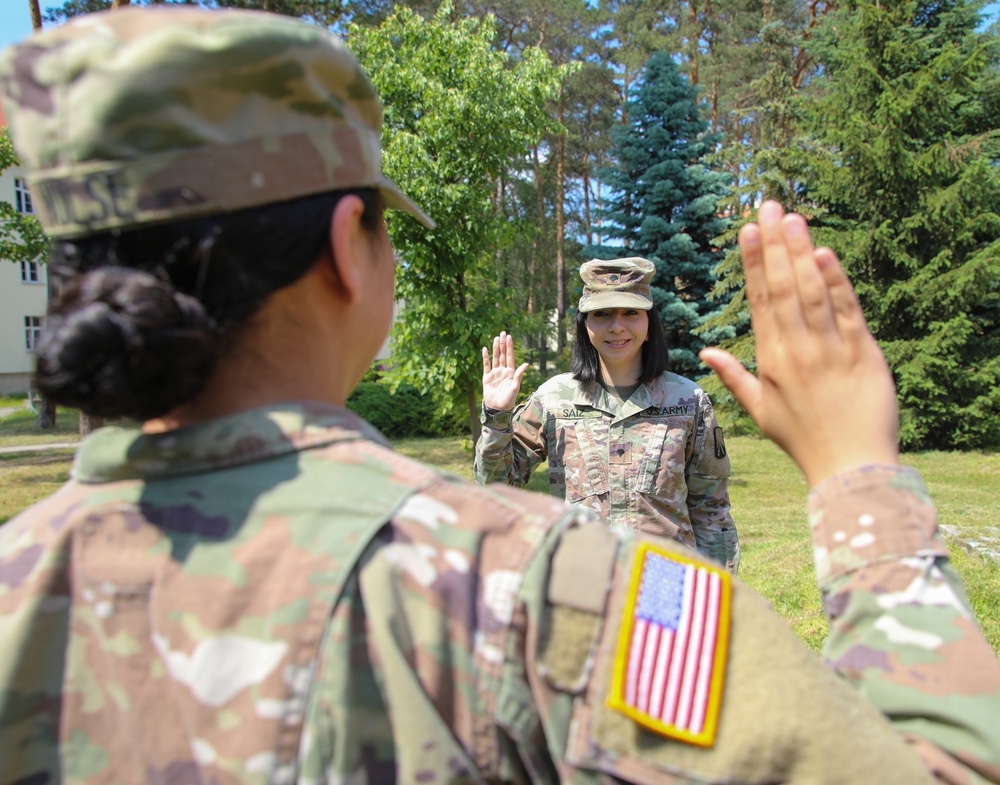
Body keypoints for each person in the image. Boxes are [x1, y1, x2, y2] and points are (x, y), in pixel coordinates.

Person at [0, 8, 998, 785]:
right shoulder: (539, 590)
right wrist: (858, 477)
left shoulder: (17, 583)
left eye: (628, 315)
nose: (616, 327)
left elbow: (709, 505)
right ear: (350, 247)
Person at [475, 259, 740, 573]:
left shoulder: (687, 401)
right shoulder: (554, 399)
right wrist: (497, 415)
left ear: (648, 322)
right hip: (582, 586)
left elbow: (711, 511)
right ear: (585, 324)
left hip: (666, 585)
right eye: (601, 314)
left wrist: (721, 595)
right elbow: (496, 487)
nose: (617, 326)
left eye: (631, 312)